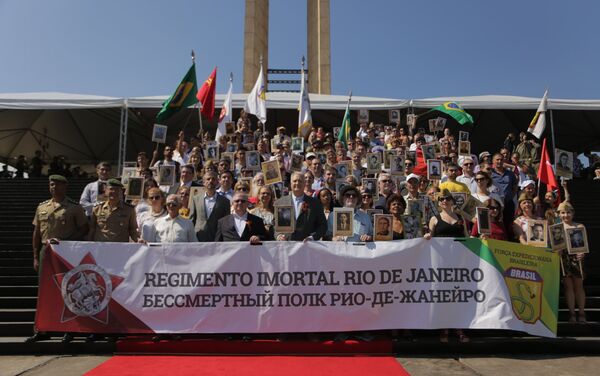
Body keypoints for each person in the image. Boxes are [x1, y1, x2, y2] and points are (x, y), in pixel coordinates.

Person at [28, 175, 88, 343]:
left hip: (66, 253)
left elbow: (84, 228)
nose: (53, 187)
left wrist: (67, 242)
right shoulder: (42, 207)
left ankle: (68, 329)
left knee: (68, 291)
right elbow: (37, 232)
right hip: (46, 253)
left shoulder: (74, 208)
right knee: (44, 293)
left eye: (57, 184)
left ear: (65, 186)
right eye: (51, 184)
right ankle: (42, 329)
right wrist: (35, 256)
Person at [424, 189, 469, 343]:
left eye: (447, 198)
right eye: (442, 199)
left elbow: (467, 238)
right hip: (441, 263)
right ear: (439, 202)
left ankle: (459, 328)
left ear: (452, 201)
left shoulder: (460, 218)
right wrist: (427, 237)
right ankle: (444, 329)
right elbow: (428, 237)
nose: (445, 201)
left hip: (458, 262)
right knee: (443, 296)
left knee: (458, 296)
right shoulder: (434, 219)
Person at [274, 172, 327, 241]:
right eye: (295, 181)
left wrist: (313, 237)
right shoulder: (280, 203)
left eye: (300, 181)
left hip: (307, 246)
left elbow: (323, 226)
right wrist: (278, 235)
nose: (297, 183)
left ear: (305, 184)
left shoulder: (315, 203)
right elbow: (274, 225)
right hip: (286, 246)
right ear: (290, 184)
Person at [557, 202, 587, 323]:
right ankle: (572, 313)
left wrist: (582, 253)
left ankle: (581, 312)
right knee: (568, 286)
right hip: (563, 259)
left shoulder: (579, 226)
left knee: (579, 286)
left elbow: (583, 245)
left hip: (576, 258)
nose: (566, 215)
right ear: (559, 214)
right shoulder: (557, 228)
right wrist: (556, 251)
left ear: (573, 213)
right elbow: (554, 245)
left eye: (568, 212)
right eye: (563, 212)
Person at [188, 171, 231, 242]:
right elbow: (191, 220)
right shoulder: (195, 199)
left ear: (217, 182)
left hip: (217, 238)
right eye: (208, 179)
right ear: (203, 182)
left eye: (213, 179)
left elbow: (226, 223)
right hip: (198, 237)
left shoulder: (225, 201)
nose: (211, 181)